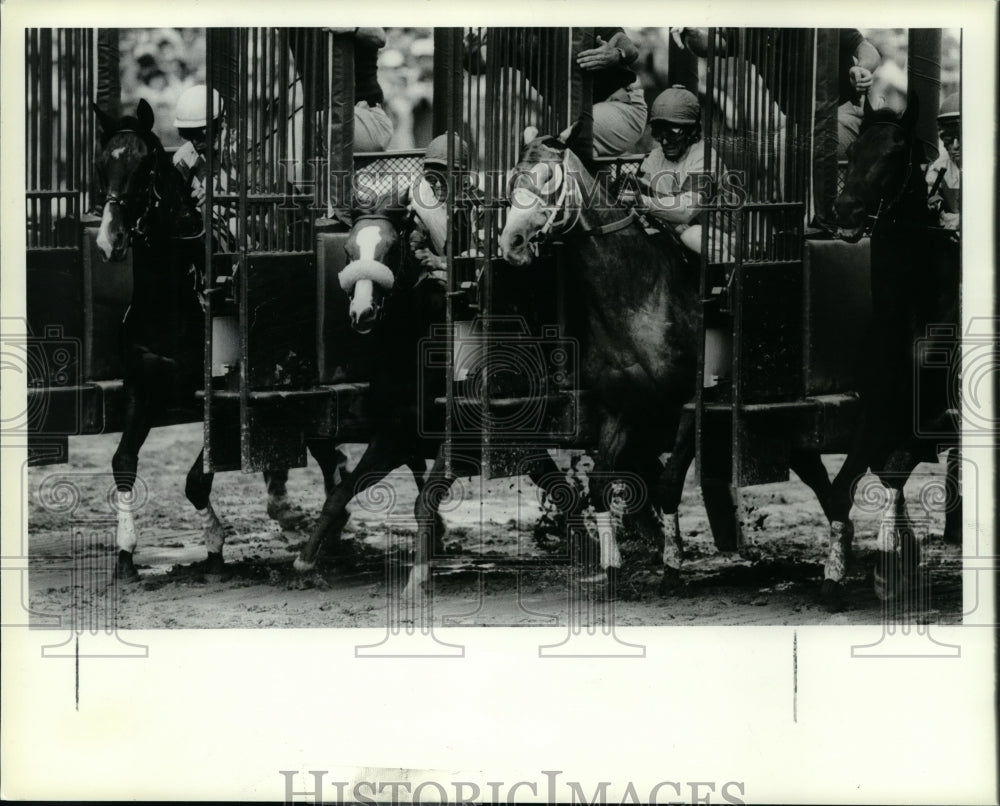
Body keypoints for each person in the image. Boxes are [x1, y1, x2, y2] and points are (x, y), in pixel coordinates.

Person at [634, 85, 731, 260]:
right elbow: (643, 190)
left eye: (672, 133)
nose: (664, 141)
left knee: (692, 236)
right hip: (676, 229)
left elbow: (687, 210)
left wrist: (646, 203)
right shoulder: (655, 157)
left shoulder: (705, 157)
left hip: (719, 235)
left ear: (692, 131)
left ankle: (729, 277)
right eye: (659, 134)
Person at [171, 83, 236, 249]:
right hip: (202, 227)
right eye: (188, 134)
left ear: (220, 122)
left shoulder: (244, 149)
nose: (194, 141)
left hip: (244, 224)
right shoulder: (182, 159)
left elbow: (261, 195)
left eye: (200, 133)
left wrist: (215, 197)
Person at [409, 133, 483, 274]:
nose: (437, 184)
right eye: (431, 177)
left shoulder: (480, 204)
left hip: (469, 286)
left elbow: (481, 263)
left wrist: (440, 261)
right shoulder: (421, 196)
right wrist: (414, 233)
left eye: (444, 177)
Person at [926, 92, 960, 231]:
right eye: (949, 139)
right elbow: (931, 193)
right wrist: (934, 201)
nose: (956, 146)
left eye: (961, 137)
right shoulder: (938, 168)